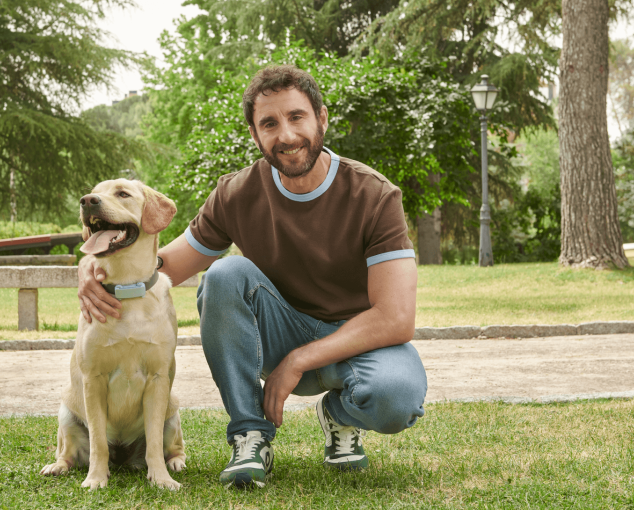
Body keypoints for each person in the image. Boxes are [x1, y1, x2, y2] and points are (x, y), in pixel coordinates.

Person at [77, 64, 428, 490]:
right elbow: (163, 264)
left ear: (322, 117)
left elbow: (395, 317)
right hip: (278, 331)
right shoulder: (235, 193)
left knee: (398, 397)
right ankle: (250, 433)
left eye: (297, 116)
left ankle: (339, 416)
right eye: (269, 123)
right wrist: (94, 266)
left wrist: (298, 361)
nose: (286, 135)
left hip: (352, 341)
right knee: (224, 273)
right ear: (254, 134)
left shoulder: (375, 194)